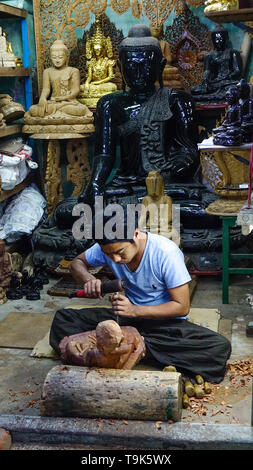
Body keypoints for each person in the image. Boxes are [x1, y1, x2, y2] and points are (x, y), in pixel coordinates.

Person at [50, 212, 231, 383]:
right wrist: (89, 279)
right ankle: (125, 348)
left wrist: (135, 310)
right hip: (125, 322)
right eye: (108, 255)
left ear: (136, 234)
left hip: (163, 325)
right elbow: (76, 263)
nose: (116, 259)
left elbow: (182, 306)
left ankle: (131, 348)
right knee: (62, 319)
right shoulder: (109, 247)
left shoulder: (165, 253)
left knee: (218, 347)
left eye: (120, 252)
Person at [78, 24, 199, 207]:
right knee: (69, 212)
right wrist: (96, 183)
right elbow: (104, 155)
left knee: (201, 210)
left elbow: (189, 150)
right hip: (128, 185)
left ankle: (135, 213)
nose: (139, 73)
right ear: (119, 67)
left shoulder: (178, 101)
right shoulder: (110, 104)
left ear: (160, 66)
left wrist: (178, 167)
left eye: (145, 66)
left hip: (168, 184)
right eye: (131, 66)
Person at [191, 25, 243, 103]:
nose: (219, 41)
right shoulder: (209, 56)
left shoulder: (233, 53)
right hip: (215, 83)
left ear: (227, 39)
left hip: (229, 82)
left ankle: (214, 97)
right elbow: (207, 71)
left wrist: (227, 77)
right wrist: (205, 80)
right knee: (194, 90)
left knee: (235, 88)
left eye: (221, 39)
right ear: (212, 40)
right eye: (216, 39)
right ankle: (219, 97)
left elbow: (238, 71)